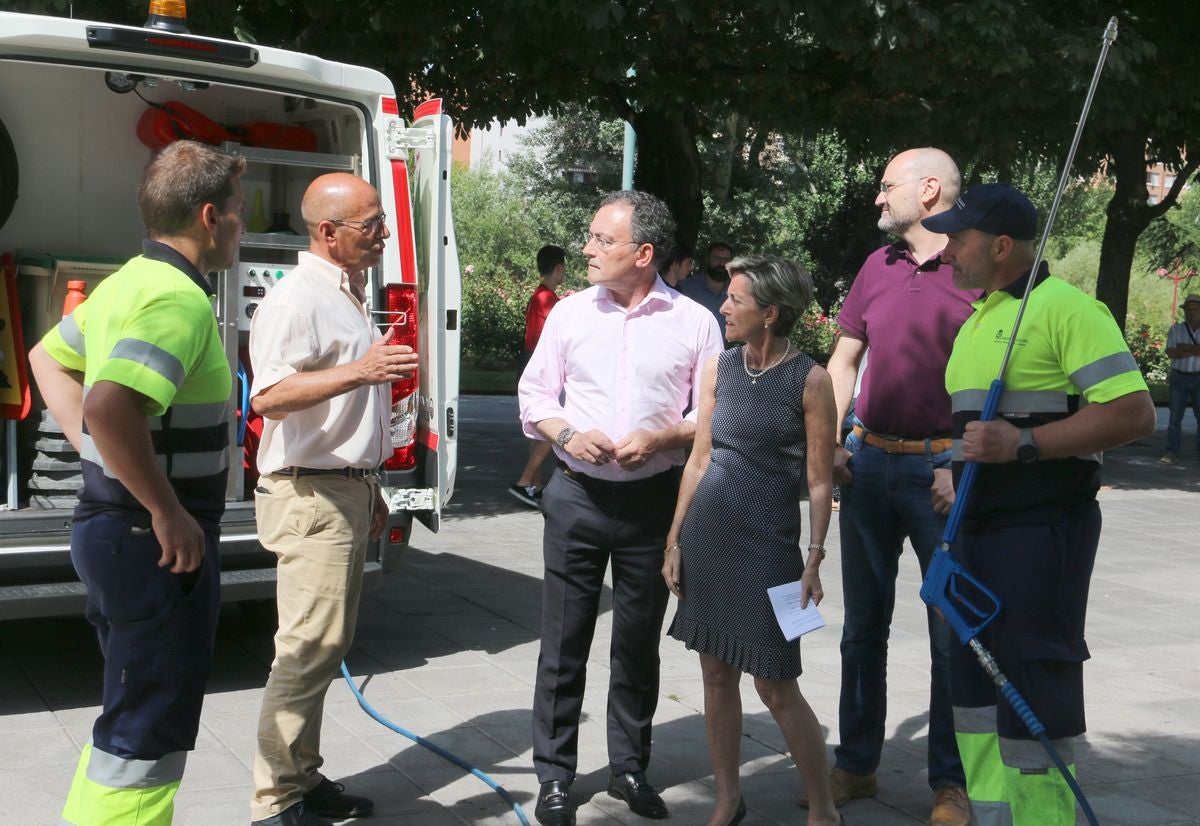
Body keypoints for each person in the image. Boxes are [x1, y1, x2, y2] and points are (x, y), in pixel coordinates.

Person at [922, 183, 1156, 823]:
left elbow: (1134, 413)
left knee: (1030, 689)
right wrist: (954, 466)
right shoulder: (981, 316)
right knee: (974, 693)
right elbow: (974, 430)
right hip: (975, 533)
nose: (945, 252)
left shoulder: (1067, 309)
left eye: (957, 239)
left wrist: (1024, 443)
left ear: (1001, 246)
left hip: (1040, 532)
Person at [29, 139, 244, 825]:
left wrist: (102, 453)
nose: (242, 225)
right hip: (152, 543)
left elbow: (45, 358)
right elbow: (107, 404)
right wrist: (166, 509)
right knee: (149, 729)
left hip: (111, 529)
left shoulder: (125, 282)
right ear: (210, 216)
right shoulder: (175, 300)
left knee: (129, 714)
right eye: (238, 212)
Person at [519, 191, 722, 826]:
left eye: (601, 241)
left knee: (637, 644)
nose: (586, 250)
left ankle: (630, 767)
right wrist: (566, 436)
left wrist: (664, 437)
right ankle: (554, 776)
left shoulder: (695, 322)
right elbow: (534, 395)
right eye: (589, 238)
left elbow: (710, 418)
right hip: (576, 493)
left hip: (653, 504)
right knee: (563, 640)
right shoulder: (571, 313)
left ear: (644, 252)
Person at [248, 173, 418, 826]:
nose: (382, 235)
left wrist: (368, 484)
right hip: (310, 495)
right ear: (328, 232)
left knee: (325, 645)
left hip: (340, 490)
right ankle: (274, 804)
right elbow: (266, 398)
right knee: (306, 649)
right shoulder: (296, 300)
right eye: (370, 225)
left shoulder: (346, 293)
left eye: (381, 222)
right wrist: (363, 370)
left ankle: (302, 778)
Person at [816, 147, 973, 824]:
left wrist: (964, 458)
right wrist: (827, 445)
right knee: (861, 630)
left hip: (945, 476)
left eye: (887, 188)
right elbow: (844, 360)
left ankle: (951, 782)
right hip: (870, 467)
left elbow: (1008, 373)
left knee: (951, 634)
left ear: (929, 189)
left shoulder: (977, 267)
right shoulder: (876, 267)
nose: (877, 200)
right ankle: (856, 765)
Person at [662, 256, 841, 826]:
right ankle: (727, 799)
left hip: (768, 548)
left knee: (776, 683)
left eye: (735, 300)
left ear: (770, 312)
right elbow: (699, 459)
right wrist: (674, 540)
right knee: (715, 674)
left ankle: (823, 807)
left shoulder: (811, 380)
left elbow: (819, 479)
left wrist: (813, 558)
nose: (723, 308)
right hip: (709, 538)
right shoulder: (720, 367)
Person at [510, 244, 566, 508]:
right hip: (542, 367)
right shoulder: (548, 300)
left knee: (536, 427)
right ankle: (524, 481)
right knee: (552, 427)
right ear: (558, 268)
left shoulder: (540, 296)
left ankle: (535, 485)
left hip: (530, 363)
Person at [1160, 292, 1200, 463]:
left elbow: (1179, 351)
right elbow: (1171, 352)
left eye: (1195, 309)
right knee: (1175, 417)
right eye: (1188, 309)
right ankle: (1171, 451)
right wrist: (1195, 349)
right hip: (1179, 378)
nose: (1191, 312)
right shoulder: (1176, 330)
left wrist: (1184, 348)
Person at [678, 241, 734, 339]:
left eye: (726, 259)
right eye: (717, 258)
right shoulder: (687, 287)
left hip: (723, 352)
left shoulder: (735, 291)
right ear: (707, 259)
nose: (722, 263)